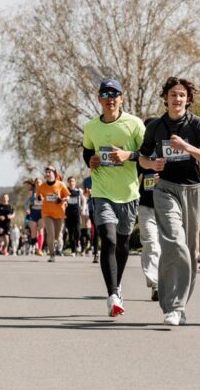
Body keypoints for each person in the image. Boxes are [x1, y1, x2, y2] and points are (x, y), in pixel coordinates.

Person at [139, 77, 200, 326]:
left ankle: (178, 305)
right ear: (165, 98)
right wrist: (152, 164)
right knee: (174, 241)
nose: (177, 99)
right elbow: (142, 157)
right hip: (165, 189)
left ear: (188, 99)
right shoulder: (156, 126)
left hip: (193, 191)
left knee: (190, 250)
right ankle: (173, 307)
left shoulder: (197, 125)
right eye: (173, 94)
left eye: (182, 95)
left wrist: (186, 147)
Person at [82, 78, 145, 318]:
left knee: (122, 244)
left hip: (128, 193)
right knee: (108, 240)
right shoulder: (91, 127)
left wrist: (129, 155)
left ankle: (117, 285)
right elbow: (87, 151)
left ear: (121, 98)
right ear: (99, 99)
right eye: (106, 94)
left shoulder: (134, 124)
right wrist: (90, 160)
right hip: (102, 192)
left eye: (114, 94)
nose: (110, 99)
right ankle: (113, 295)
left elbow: (147, 153)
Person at [137, 118, 161, 300]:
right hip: (145, 205)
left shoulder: (168, 149)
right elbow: (130, 175)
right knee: (151, 243)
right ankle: (156, 284)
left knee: (167, 246)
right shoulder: (141, 153)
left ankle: (165, 281)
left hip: (167, 205)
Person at [36, 165, 70, 261]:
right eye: (46, 172)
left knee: (57, 235)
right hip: (47, 213)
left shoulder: (61, 184)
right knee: (50, 234)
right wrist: (39, 198)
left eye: (49, 172)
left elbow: (68, 196)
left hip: (59, 213)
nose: (47, 174)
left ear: (54, 174)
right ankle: (52, 254)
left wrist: (62, 199)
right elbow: (38, 197)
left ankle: (58, 246)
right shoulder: (42, 186)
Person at [64, 176, 83, 256]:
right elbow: (63, 200)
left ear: (75, 182)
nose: (71, 183)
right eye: (70, 181)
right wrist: (65, 201)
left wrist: (83, 208)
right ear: (68, 182)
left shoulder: (79, 191)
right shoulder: (65, 191)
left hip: (76, 214)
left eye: (73, 181)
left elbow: (83, 199)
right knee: (70, 233)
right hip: (68, 214)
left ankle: (78, 242)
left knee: (78, 231)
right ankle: (73, 251)